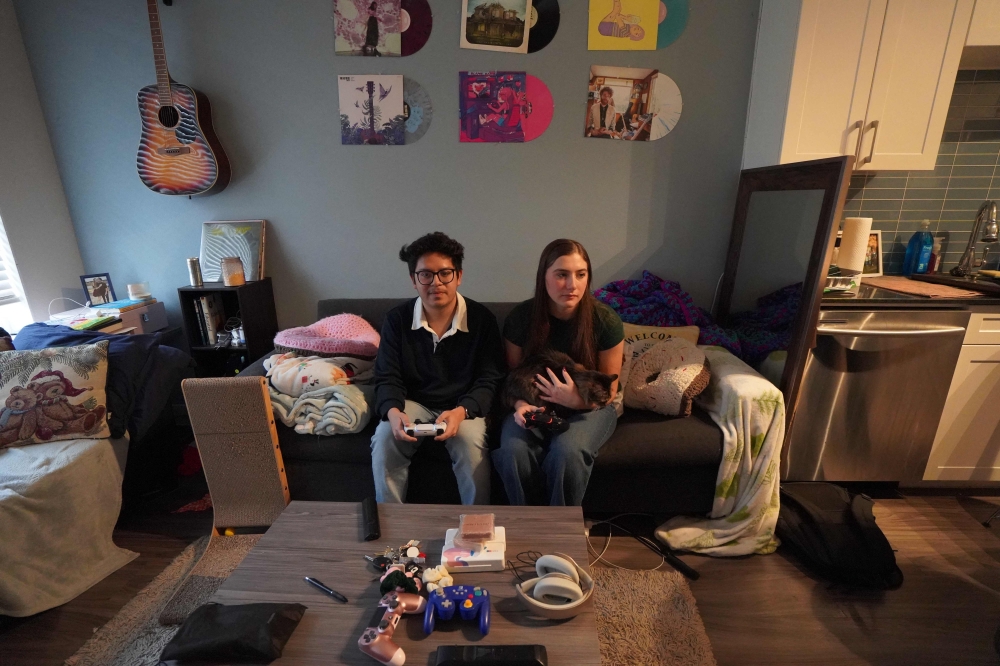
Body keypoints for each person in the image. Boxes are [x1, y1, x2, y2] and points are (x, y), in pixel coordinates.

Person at [371, 232, 504, 505]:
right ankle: (392, 526)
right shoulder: (396, 320)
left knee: (470, 444)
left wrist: (462, 411)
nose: (436, 283)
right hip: (414, 403)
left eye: (445, 273)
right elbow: (386, 375)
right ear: (413, 280)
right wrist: (392, 411)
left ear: (459, 276)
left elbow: (489, 379)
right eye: (426, 275)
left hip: (462, 407)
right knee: (385, 436)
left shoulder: (482, 320)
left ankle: (477, 529)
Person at [492, 239, 625, 506]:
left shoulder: (605, 320)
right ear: (544, 277)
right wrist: (520, 406)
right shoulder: (521, 318)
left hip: (592, 407)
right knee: (512, 450)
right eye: (561, 275)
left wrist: (576, 401)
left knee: (568, 451)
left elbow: (609, 390)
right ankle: (527, 524)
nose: (572, 285)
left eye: (580, 274)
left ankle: (561, 530)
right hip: (532, 404)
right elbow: (511, 379)